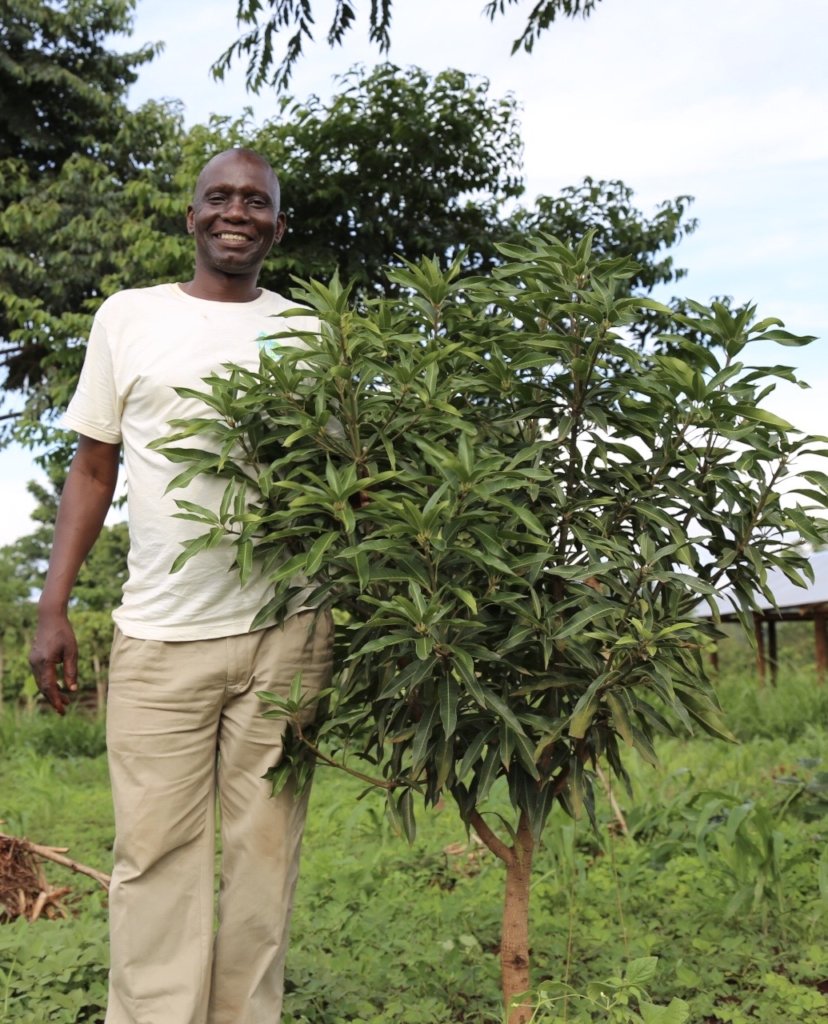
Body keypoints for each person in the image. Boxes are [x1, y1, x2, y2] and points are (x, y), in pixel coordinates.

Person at [29, 148, 333, 1024]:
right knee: (154, 856)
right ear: (191, 217)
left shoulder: (313, 332)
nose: (237, 212)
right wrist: (53, 604)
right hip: (161, 636)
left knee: (265, 858)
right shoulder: (129, 317)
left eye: (256, 201)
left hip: (290, 631)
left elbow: (344, 480)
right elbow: (94, 466)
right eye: (219, 197)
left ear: (279, 226)